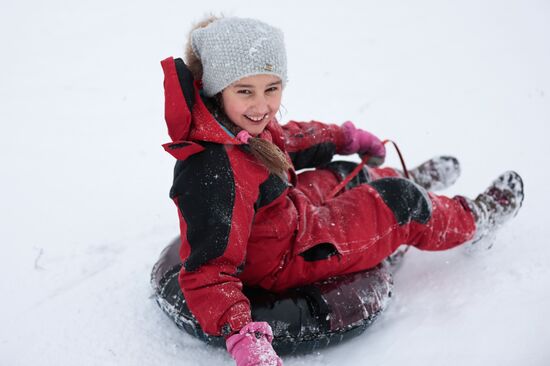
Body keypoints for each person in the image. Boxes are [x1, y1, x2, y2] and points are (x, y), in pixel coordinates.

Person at [160, 16, 524, 366]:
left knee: (343, 173)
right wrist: (245, 339)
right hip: (287, 259)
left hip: (286, 212)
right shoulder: (215, 172)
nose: (262, 107)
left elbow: (289, 138)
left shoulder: (237, 127)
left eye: (272, 88)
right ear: (217, 90)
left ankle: (409, 178)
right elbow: (209, 270)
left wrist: (344, 138)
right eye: (245, 92)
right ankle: (475, 217)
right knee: (399, 202)